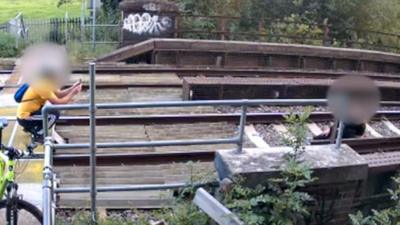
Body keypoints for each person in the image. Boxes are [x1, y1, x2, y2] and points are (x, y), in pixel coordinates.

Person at [16, 69, 82, 143]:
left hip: (32, 112)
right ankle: (38, 134)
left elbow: (59, 95)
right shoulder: (43, 86)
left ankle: (32, 128)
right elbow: (58, 103)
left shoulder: (45, 83)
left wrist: (73, 88)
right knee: (53, 115)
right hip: (25, 117)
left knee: (49, 111)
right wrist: (73, 93)